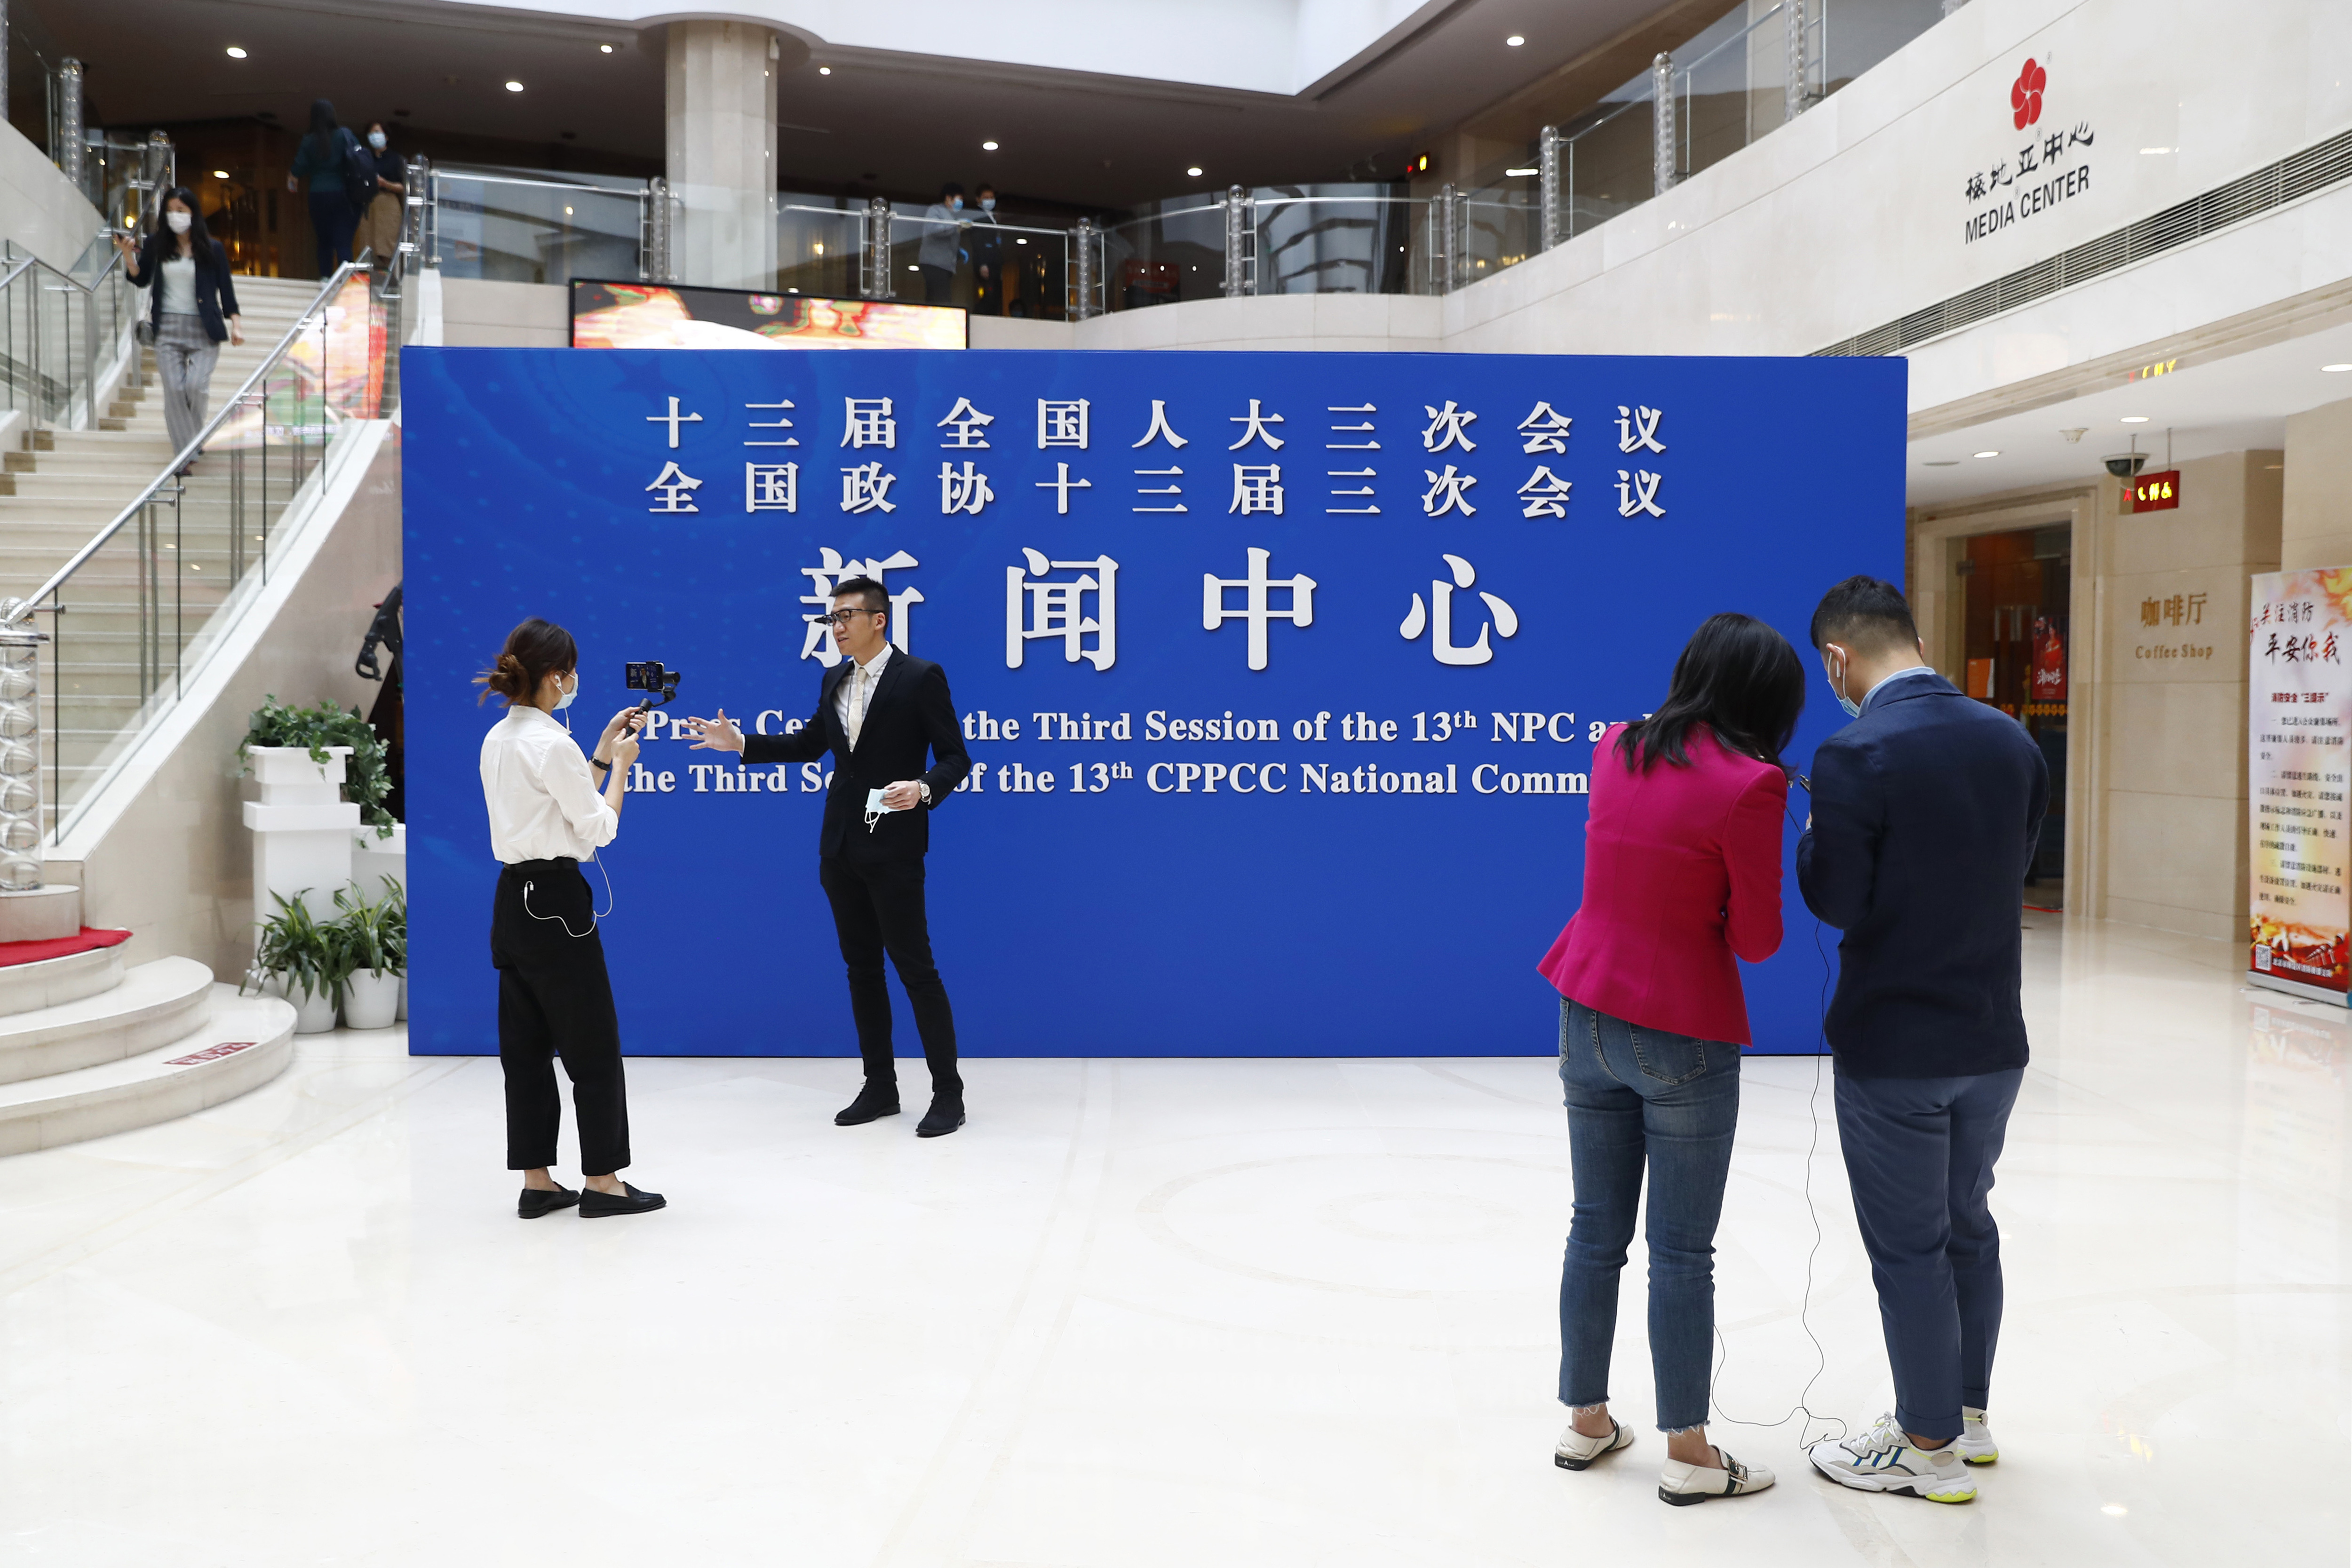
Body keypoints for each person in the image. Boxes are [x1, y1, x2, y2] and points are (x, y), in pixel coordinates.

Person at [1536, 612, 1804, 1506]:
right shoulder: (1754, 783)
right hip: (1681, 1027)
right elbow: (1761, 941)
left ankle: (1586, 1420)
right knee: (1681, 1251)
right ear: (1769, 701)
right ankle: (1688, 1449)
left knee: (1593, 1229)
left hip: (1585, 1008)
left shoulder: (1617, 745)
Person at [1796, 576, 2048, 1504]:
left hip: (1895, 1040)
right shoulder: (2012, 739)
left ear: (1838, 657)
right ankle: (1969, 1418)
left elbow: (1835, 900)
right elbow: (2016, 862)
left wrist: (1813, 831)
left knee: (1908, 1248)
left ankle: (1926, 1444)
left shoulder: (1853, 751)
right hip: (1993, 1036)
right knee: (1968, 1229)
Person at [685, 578, 974, 1135]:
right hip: (840, 846)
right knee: (861, 970)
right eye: (831, 619)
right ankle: (881, 1086)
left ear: (879, 620)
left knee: (915, 969)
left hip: (893, 847)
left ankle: (948, 1094)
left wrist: (922, 788)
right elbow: (806, 744)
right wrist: (741, 743)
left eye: (845, 617)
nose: (836, 628)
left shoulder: (920, 678)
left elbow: (955, 758)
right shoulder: (833, 679)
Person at [477, 618, 665, 1218]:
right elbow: (597, 827)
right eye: (571, 673)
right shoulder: (550, 743)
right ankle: (603, 1182)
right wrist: (626, 765)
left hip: (511, 902)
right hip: (557, 906)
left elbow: (559, 797)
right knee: (593, 1047)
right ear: (557, 677)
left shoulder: (499, 738)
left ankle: (538, 1181)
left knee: (525, 1051)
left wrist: (603, 749)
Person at [113, 189, 243, 477]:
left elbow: (226, 288)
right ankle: (184, 456)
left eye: (182, 210)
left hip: (204, 330)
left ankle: (191, 442)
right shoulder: (158, 245)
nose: (176, 216)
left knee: (196, 387)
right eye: (171, 210)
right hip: (168, 329)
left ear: (193, 214)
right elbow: (141, 278)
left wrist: (236, 323)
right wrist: (128, 255)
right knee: (174, 390)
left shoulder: (213, 248)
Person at [286, 98, 361, 275]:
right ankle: (345, 282)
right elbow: (358, 158)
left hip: (317, 195)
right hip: (342, 194)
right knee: (343, 243)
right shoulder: (344, 135)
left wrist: (292, 184)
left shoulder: (308, 140)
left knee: (324, 241)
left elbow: (296, 171)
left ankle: (325, 280)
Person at [356, 120, 406, 264]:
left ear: (386, 136)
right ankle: (370, 282)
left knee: (386, 247)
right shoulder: (366, 158)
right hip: (369, 203)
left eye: (377, 133)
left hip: (388, 203)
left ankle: (387, 282)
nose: (374, 136)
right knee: (368, 246)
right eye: (371, 133)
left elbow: (403, 186)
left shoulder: (396, 159)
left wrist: (386, 184)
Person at [917, 183, 966, 305]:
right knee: (941, 300)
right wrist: (956, 226)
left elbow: (947, 238)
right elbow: (934, 230)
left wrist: (958, 251)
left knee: (935, 298)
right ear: (948, 198)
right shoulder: (936, 210)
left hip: (944, 265)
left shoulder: (951, 216)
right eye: (959, 199)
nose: (961, 202)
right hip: (934, 263)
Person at [968, 184, 1003, 316]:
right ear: (978, 200)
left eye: (992, 197)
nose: (990, 200)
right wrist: (983, 264)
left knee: (995, 294)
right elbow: (977, 241)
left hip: (995, 261)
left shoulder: (994, 215)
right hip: (986, 262)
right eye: (986, 198)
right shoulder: (977, 215)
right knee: (989, 294)